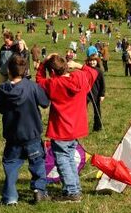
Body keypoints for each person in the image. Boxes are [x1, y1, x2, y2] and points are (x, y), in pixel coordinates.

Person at [36, 53, 98, 202]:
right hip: (76, 127)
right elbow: (93, 72)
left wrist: (44, 63)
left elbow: (39, 81)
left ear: (52, 72)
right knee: (69, 157)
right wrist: (78, 65)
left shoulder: (54, 84)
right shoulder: (80, 77)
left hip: (62, 129)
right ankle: (75, 188)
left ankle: (72, 192)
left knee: (63, 159)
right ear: (66, 67)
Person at [0, 54, 50, 206]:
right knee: (37, 163)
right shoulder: (32, 86)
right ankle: (39, 190)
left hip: (13, 136)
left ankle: (10, 198)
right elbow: (45, 102)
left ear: (9, 71)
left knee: (11, 165)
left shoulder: (3, 89)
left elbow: (0, 108)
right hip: (32, 134)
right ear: (25, 71)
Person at [85, 54, 105, 132]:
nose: (92, 62)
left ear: (97, 61)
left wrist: (102, 94)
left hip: (96, 93)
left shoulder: (99, 71)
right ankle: (82, 126)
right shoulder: (86, 69)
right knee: (83, 109)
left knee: (97, 110)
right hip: (86, 93)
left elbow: (103, 83)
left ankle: (97, 126)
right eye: (91, 61)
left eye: (94, 61)